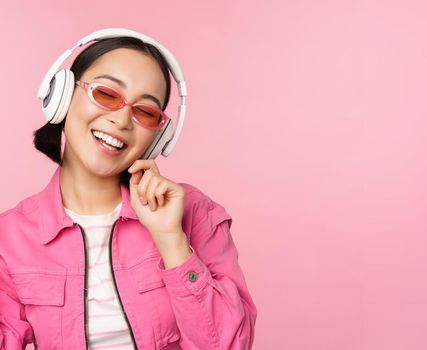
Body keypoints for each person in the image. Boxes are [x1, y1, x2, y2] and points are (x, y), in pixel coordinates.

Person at [0, 29, 257, 349]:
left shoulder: (193, 212)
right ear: (61, 97)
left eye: (145, 112)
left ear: (159, 139)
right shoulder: (9, 238)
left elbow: (229, 345)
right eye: (106, 94)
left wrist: (171, 240)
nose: (122, 120)